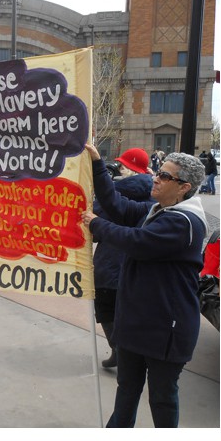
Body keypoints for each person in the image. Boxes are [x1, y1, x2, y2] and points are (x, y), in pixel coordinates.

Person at [82, 143, 208, 428]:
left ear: (183, 187)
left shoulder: (185, 222)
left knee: (162, 398)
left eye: (165, 177)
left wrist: (96, 224)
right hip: (136, 323)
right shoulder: (157, 209)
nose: (156, 178)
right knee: (127, 390)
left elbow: (137, 243)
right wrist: (97, 164)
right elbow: (116, 205)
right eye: (159, 173)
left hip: (166, 330)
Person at [93, 148, 154, 370]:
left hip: (109, 264)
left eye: (121, 165)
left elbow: (95, 230)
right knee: (128, 313)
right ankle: (127, 352)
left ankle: (119, 350)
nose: (118, 168)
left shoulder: (114, 194)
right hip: (136, 268)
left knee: (106, 310)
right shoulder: (155, 194)